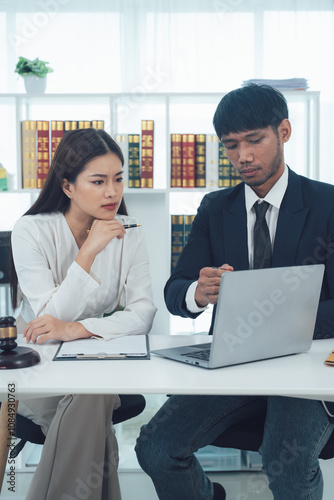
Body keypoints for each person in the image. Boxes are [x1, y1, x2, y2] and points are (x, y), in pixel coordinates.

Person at [135, 84, 334, 500]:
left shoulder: (326, 203)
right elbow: (175, 292)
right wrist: (197, 292)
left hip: (304, 364)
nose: (242, 157)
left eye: (254, 140)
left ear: (284, 132)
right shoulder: (215, 207)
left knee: (287, 461)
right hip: (233, 361)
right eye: (230, 146)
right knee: (156, 448)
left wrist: (283, 324)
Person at [10, 127, 157, 500]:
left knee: (92, 393)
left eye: (119, 179)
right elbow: (46, 322)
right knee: (94, 401)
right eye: (98, 180)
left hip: (96, 359)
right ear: (68, 186)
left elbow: (144, 315)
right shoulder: (30, 230)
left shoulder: (130, 232)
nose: (113, 192)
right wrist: (88, 252)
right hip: (37, 371)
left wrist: (78, 329)